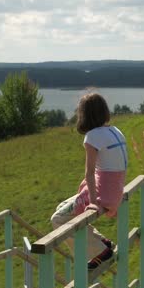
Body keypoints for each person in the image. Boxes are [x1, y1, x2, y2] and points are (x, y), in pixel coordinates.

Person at [50, 91, 128, 269]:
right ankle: (102, 242)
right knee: (61, 208)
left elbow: (90, 172)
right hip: (115, 191)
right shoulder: (116, 131)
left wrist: (93, 203)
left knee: (57, 219)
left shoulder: (92, 137)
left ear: (84, 114)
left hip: (102, 193)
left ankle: (100, 252)